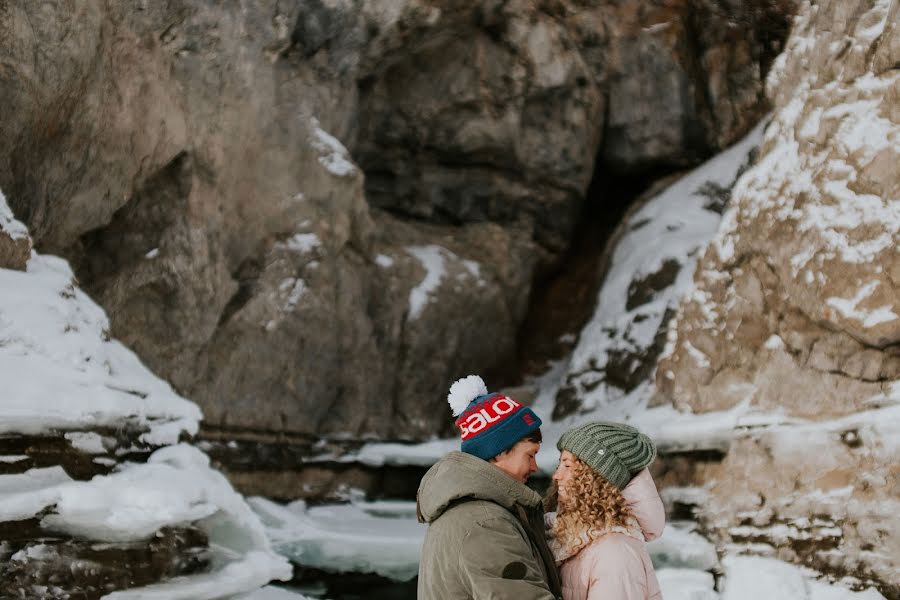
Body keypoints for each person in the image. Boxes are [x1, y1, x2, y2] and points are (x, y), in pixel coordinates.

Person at [417, 375, 563, 600]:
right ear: (499, 450)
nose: (535, 466)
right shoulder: (486, 523)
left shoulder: (467, 512)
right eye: (530, 455)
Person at [545, 421, 664, 600]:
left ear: (595, 478)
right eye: (559, 465)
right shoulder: (576, 537)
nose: (557, 475)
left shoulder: (615, 554)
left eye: (568, 466)